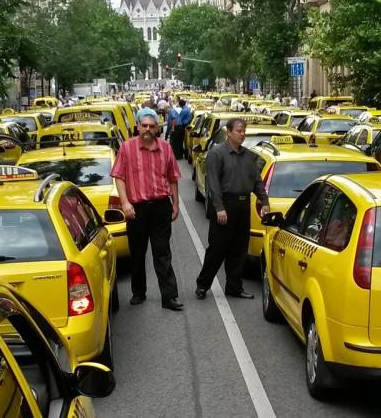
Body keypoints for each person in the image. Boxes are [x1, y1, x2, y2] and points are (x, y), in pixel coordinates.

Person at [110, 108, 183, 311]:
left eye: (151, 126)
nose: (148, 129)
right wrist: (125, 203)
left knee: (162, 252)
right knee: (137, 253)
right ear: (138, 127)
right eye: (144, 126)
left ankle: (169, 297)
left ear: (158, 128)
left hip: (161, 207)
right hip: (136, 209)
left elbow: (173, 178)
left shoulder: (166, 148)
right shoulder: (127, 148)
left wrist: (175, 203)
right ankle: (138, 292)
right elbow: (119, 177)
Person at [196, 118, 269, 300]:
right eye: (239, 131)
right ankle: (203, 285)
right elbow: (213, 183)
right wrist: (219, 208)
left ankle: (234, 287)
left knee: (239, 249)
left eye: (244, 131)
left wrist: (264, 201)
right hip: (225, 205)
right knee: (217, 248)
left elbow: (257, 181)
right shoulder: (217, 154)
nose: (242, 134)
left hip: (243, 205)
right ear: (228, 132)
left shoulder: (249, 156)